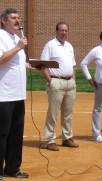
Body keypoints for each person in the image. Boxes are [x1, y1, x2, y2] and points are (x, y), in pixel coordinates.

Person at [39, 22, 78, 151]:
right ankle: (49, 140)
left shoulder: (69, 46)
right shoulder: (50, 45)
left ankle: (67, 138)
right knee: (53, 113)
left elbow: (72, 65)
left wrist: (73, 79)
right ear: (56, 31)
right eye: (61, 30)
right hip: (56, 82)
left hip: (69, 83)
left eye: (66, 30)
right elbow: (42, 65)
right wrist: (50, 81)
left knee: (68, 113)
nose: (64, 33)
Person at [0, 8, 29, 179]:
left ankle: (12, 168)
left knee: (16, 134)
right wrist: (18, 47)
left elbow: (18, 64)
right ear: (3, 21)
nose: (17, 20)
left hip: (18, 95)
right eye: (13, 18)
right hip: (3, 96)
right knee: (2, 135)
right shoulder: (1, 37)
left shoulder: (17, 38)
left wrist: (34, 66)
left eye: (18, 17)